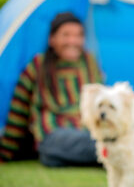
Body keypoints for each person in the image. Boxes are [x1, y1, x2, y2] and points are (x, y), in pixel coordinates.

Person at [0, 12, 102, 167]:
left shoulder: (89, 63)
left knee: (96, 140)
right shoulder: (38, 65)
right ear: (52, 39)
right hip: (53, 136)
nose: (73, 41)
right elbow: (17, 112)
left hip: (87, 133)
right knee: (94, 143)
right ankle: (113, 152)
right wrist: (4, 153)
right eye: (66, 35)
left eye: (79, 35)